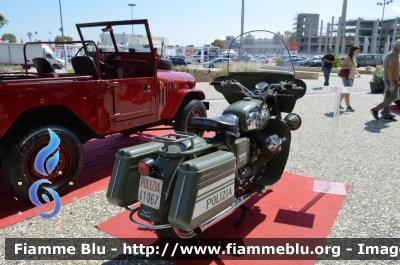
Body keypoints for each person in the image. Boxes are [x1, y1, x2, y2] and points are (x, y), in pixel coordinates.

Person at [370, 40, 400, 122]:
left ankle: (386, 115)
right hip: (392, 79)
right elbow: (391, 68)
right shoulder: (394, 54)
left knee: (387, 96)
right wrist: (393, 82)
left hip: (388, 79)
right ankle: (376, 109)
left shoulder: (392, 53)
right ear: (397, 46)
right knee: (395, 97)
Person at [339, 45, 361, 112]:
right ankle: (348, 107)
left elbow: (353, 68)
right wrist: (351, 66)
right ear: (353, 51)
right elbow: (342, 67)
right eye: (357, 51)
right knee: (347, 92)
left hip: (351, 77)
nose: (358, 52)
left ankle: (338, 103)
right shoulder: (348, 58)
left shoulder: (353, 58)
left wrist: (357, 73)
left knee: (345, 92)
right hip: (347, 77)